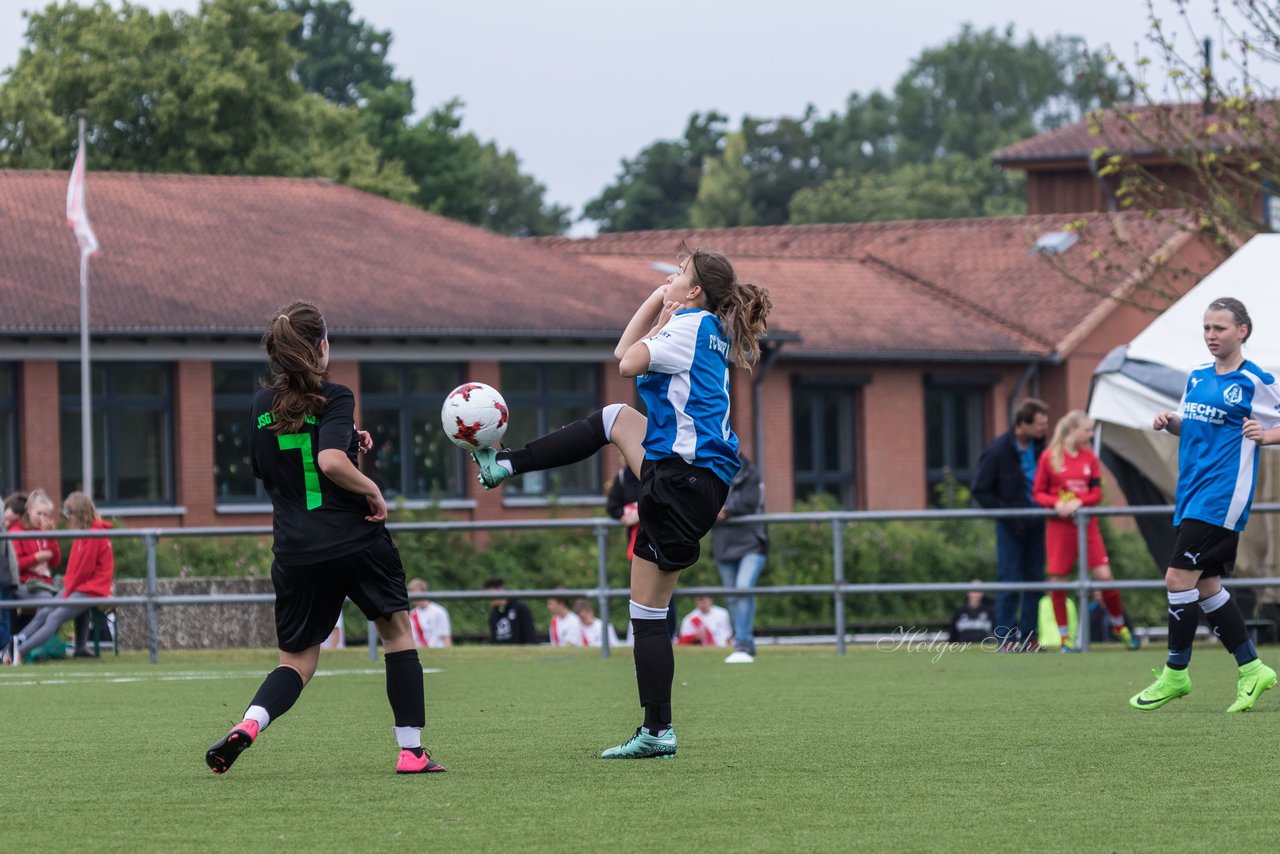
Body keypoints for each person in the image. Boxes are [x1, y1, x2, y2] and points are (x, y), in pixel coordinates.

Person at [470, 242, 771, 758]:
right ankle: (509, 464)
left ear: (695, 290)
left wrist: (660, 312)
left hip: (681, 480)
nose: (670, 278)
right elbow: (621, 355)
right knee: (615, 419)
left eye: (678, 274)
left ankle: (657, 732)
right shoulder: (708, 329)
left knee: (647, 614)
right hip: (699, 479)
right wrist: (658, 301)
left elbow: (630, 361)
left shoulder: (691, 325)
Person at [204, 301, 444, 775]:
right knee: (396, 636)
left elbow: (279, 462)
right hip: (355, 538)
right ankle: (411, 752)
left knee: (296, 662)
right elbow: (330, 461)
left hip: (296, 549)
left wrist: (348, 439)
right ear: (320, 347)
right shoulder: (335, 395)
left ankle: (249, 725)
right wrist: (372, 488)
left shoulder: (258, 406)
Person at [1131, 297, 1280, 713]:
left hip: (1222, 495)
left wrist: (1268, 436)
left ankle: (1176, 673)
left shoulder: (1254, 379)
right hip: (1192, 492)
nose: (1211, 336)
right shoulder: (1197, 376)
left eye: (1220, 328)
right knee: (1206, 586)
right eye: (1207, 328)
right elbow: (1194, 426)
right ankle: (1253, 669)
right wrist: (1171, 423)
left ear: (1242, 332)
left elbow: (1273, 424)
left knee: (1177, 580)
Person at [1032, 410, 1140, 653]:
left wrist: (1080, 502)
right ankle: (1064, 639)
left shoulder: (1089, 458)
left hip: (1087, 526)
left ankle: (1119, 626)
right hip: (1059, 529)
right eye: (1087, 430)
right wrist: (1055, 503)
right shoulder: (1050, 457)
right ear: (1073, 431)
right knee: (1058, 582)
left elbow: (1096, 493)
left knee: (1105, 577)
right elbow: (1038, 492)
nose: (1091, 434)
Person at [972, 398, 1050, 650]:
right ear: (1022, 423)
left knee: (1035, 581)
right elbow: (981, 490)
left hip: (1037, 523)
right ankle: (1005, 639)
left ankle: (1029, 637)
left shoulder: (1040, 447)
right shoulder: (997, 451)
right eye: (1039, 424)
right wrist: (1007, 513)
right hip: (1010, 526)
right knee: (1010, 581)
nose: (1043, 429)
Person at [6, 492, 113, 665]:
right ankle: (19, 640)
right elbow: (75, 569)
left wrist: (68, 589)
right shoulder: (85, 532)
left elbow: (77, 568)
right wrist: (67, 587)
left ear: (79, 514)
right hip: (76, 587)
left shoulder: (92, 534)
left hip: (90, 589)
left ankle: (19, 651)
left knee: (54, 616)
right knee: (47, 610)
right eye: (39, 513)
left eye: (69, 514)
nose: (68, 518)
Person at [607, 466, 677, 640]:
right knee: (641, 597)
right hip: (638, 544)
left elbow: (670, 501)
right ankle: (650, 639)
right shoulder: (624, 476)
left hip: (663, 542)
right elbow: (613, 506)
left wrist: (640, 511)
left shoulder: (663, 468)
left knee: (663, 594)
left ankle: (666, 637)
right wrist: (625, 513)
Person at [711, 453, 767, 663]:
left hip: (751, 542)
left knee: (743, 588)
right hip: (723, 545)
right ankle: (744, 642)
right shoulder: (709, 469)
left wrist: (727, 510)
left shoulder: (750, 473)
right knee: (733, 596)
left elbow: (750, 501)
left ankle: (742, 642)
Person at [11, 488, 61, 603]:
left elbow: (55, 562)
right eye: (39, 513)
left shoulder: (43, 531)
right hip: (24, 583)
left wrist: (51, 536)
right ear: (29, 510)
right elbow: (15, 565)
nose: (42, 518)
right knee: (46, 599)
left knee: (72, 598)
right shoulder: (16, 532)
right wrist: (37, 557)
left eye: (46, 515)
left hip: (44, 583)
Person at [0, 492, 25, 657]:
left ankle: (7, 646)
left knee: (5, 614)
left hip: (4, 571)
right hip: (6, 570)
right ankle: (8, 645)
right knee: (5, 615)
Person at [485, 576, 538, 644]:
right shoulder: (493, 614)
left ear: (501, 590)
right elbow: (493, 640)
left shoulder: (520, 608)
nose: (489, 599)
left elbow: (530, 636)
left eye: (490, 595)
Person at [407, 578, 452, 648]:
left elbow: (446, 637)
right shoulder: (412, 614)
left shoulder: (439, 612)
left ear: (423, 591)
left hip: (437, 651)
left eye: (414, 592)